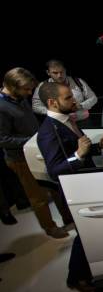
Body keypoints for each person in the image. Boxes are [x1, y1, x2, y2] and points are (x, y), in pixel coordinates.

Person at [36, 81, 103, 292]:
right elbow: (54, 170)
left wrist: (96, 147)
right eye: (68, 97)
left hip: (85, 184)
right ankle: (77, 278)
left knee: (89, 232)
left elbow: (77, 151)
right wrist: (79, 154)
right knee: (86, 233)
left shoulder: (65, 120)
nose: (74, 100)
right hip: (75, 190)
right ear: (52, 102)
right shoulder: (48, 132)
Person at [0, 68, 71, 238]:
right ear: (12, 86)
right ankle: (50, 228)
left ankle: (68, 219)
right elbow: (3, 139)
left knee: (55, 188)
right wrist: (34, 141)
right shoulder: (1, 107)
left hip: (39, 152)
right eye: (26, 89)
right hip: (20, 158)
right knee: (37, 196)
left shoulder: (20, 98)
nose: (29, 93)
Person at [32, 59, 97, 122]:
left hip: (83, 121)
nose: (59, 75)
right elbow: (36, 106)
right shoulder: (42, 86)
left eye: (61, 72)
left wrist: (80, 106)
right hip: (58, 123)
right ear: (48, 72)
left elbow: (93, 98)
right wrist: (57, 112)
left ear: (65, 70)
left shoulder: (78, 82)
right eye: (55, 73)